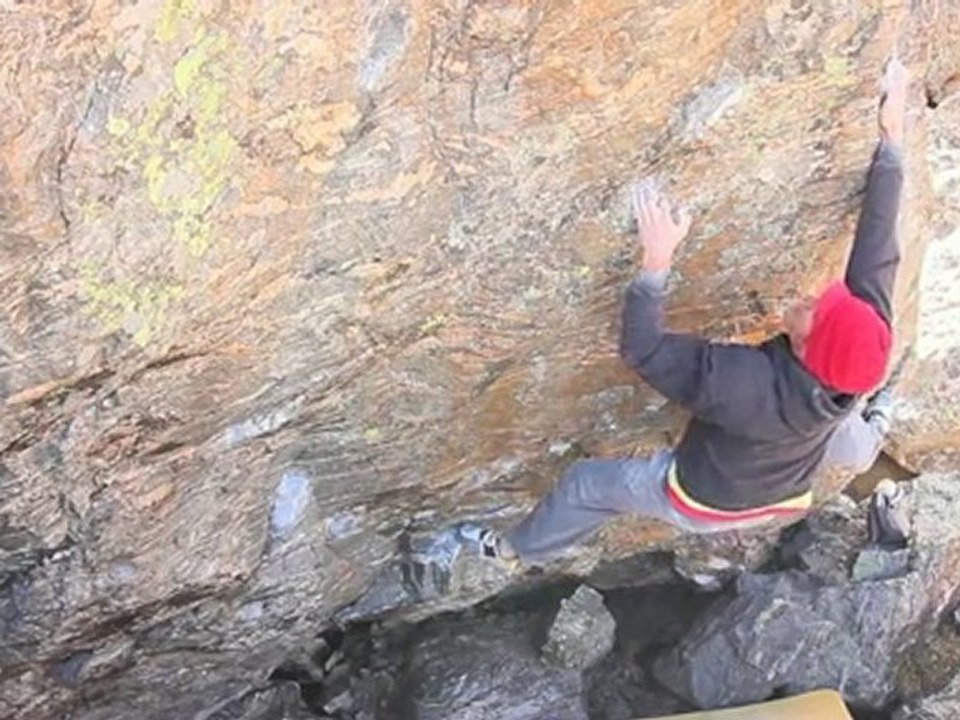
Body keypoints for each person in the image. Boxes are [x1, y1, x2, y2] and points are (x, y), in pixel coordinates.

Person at [474, 59, 909, 568]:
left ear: (806, 348)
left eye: (815, 313)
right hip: (791, 483)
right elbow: (878, 242)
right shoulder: (864, 345)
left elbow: (644, 350)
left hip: (707, 498)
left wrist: (656, 262)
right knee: (851, 438)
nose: (811, 298)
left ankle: (513, 551)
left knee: (583, 485)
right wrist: (892, 134)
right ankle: (874, 423)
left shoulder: (744, 384)